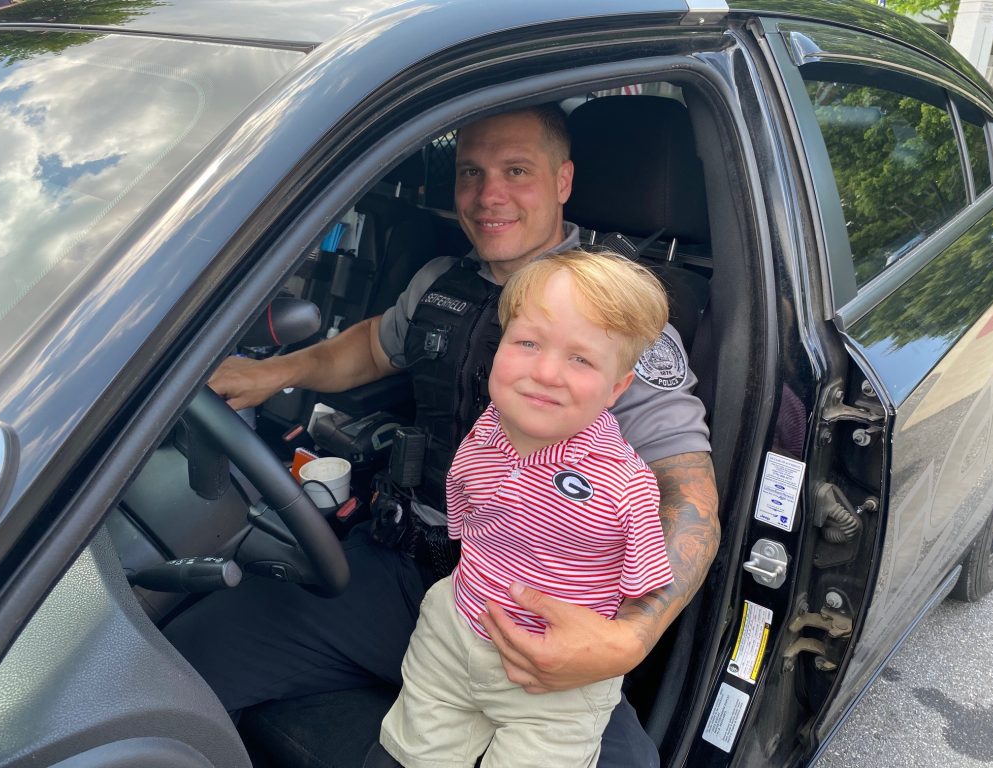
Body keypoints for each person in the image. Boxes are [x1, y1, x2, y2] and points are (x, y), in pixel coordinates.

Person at [164, 103, 720, 768]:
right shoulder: (440, 282)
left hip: (535, 605)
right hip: (399, 567)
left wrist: (629, 638)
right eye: (470, 173)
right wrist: (270, 373)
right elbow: (371, 347)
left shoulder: (617, 314)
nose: (488, 196)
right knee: (171, 669)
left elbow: (688, 495)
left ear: (564, 181)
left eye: (517, 171)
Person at [380, 250, 675, 767]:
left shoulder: (625, 486)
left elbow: (645, 587)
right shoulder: (487, 427)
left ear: (617, 388)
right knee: (414, 753)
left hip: (553, 679)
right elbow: (465, 512)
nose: (545, 372)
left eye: (580, 359)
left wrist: (618, 642)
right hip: (454, 630)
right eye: (527, 343)